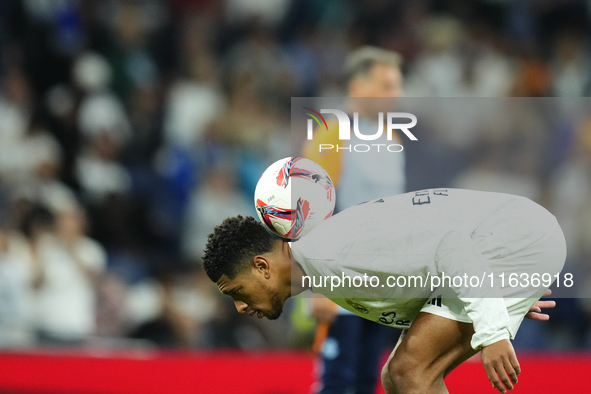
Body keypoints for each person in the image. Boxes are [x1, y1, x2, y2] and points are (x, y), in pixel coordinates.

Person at [202, 188, 566, 394]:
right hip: (500, 245)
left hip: (513, 238)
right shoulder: (320, 265)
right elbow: (426, 258)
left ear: (262, 267)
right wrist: (497, 291)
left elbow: (450, 244)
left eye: (235, 290)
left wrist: (492, 329)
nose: (239, 306)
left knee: (409, 371)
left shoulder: (332, 255)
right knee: (396, 376)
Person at [301, 46, 405, 394]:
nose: (396, 94)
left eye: (397, 85)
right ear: (358, 87)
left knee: (365, 381)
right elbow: (310, 211)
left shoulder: (393, 141)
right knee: (336, 381)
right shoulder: (332, 137)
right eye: (386, 85)